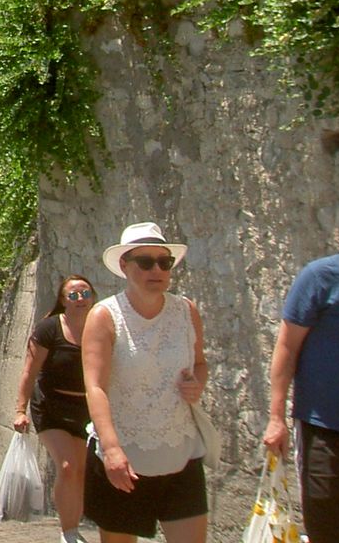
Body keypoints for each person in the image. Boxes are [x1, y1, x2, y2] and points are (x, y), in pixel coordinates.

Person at [262, 189, 339, 543]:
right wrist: (276, 418)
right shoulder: (321, 277)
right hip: (327, 435)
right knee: (331, 534)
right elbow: (287, 348)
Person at [82, 222, 209, 543]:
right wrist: (111, 449)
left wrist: (196, 383)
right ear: (125, 265)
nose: (157, 270)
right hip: (125, 456)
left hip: (180, 452)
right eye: (146, 262)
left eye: (164, 262)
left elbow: (199, 364)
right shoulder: (104, 316)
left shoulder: (186, 311)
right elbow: (95, 387)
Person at [14, 274, 97, 543]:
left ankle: (73, 528)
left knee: (81, 471)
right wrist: (20, 410)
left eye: (85, 293)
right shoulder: (49, 329)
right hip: (51, 407)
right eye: (73, 295)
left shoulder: (100, 327)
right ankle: (68, 532)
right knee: (68, 465)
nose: (80, 299)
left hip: (84, 410)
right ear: (63, 300)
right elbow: (29, 371)